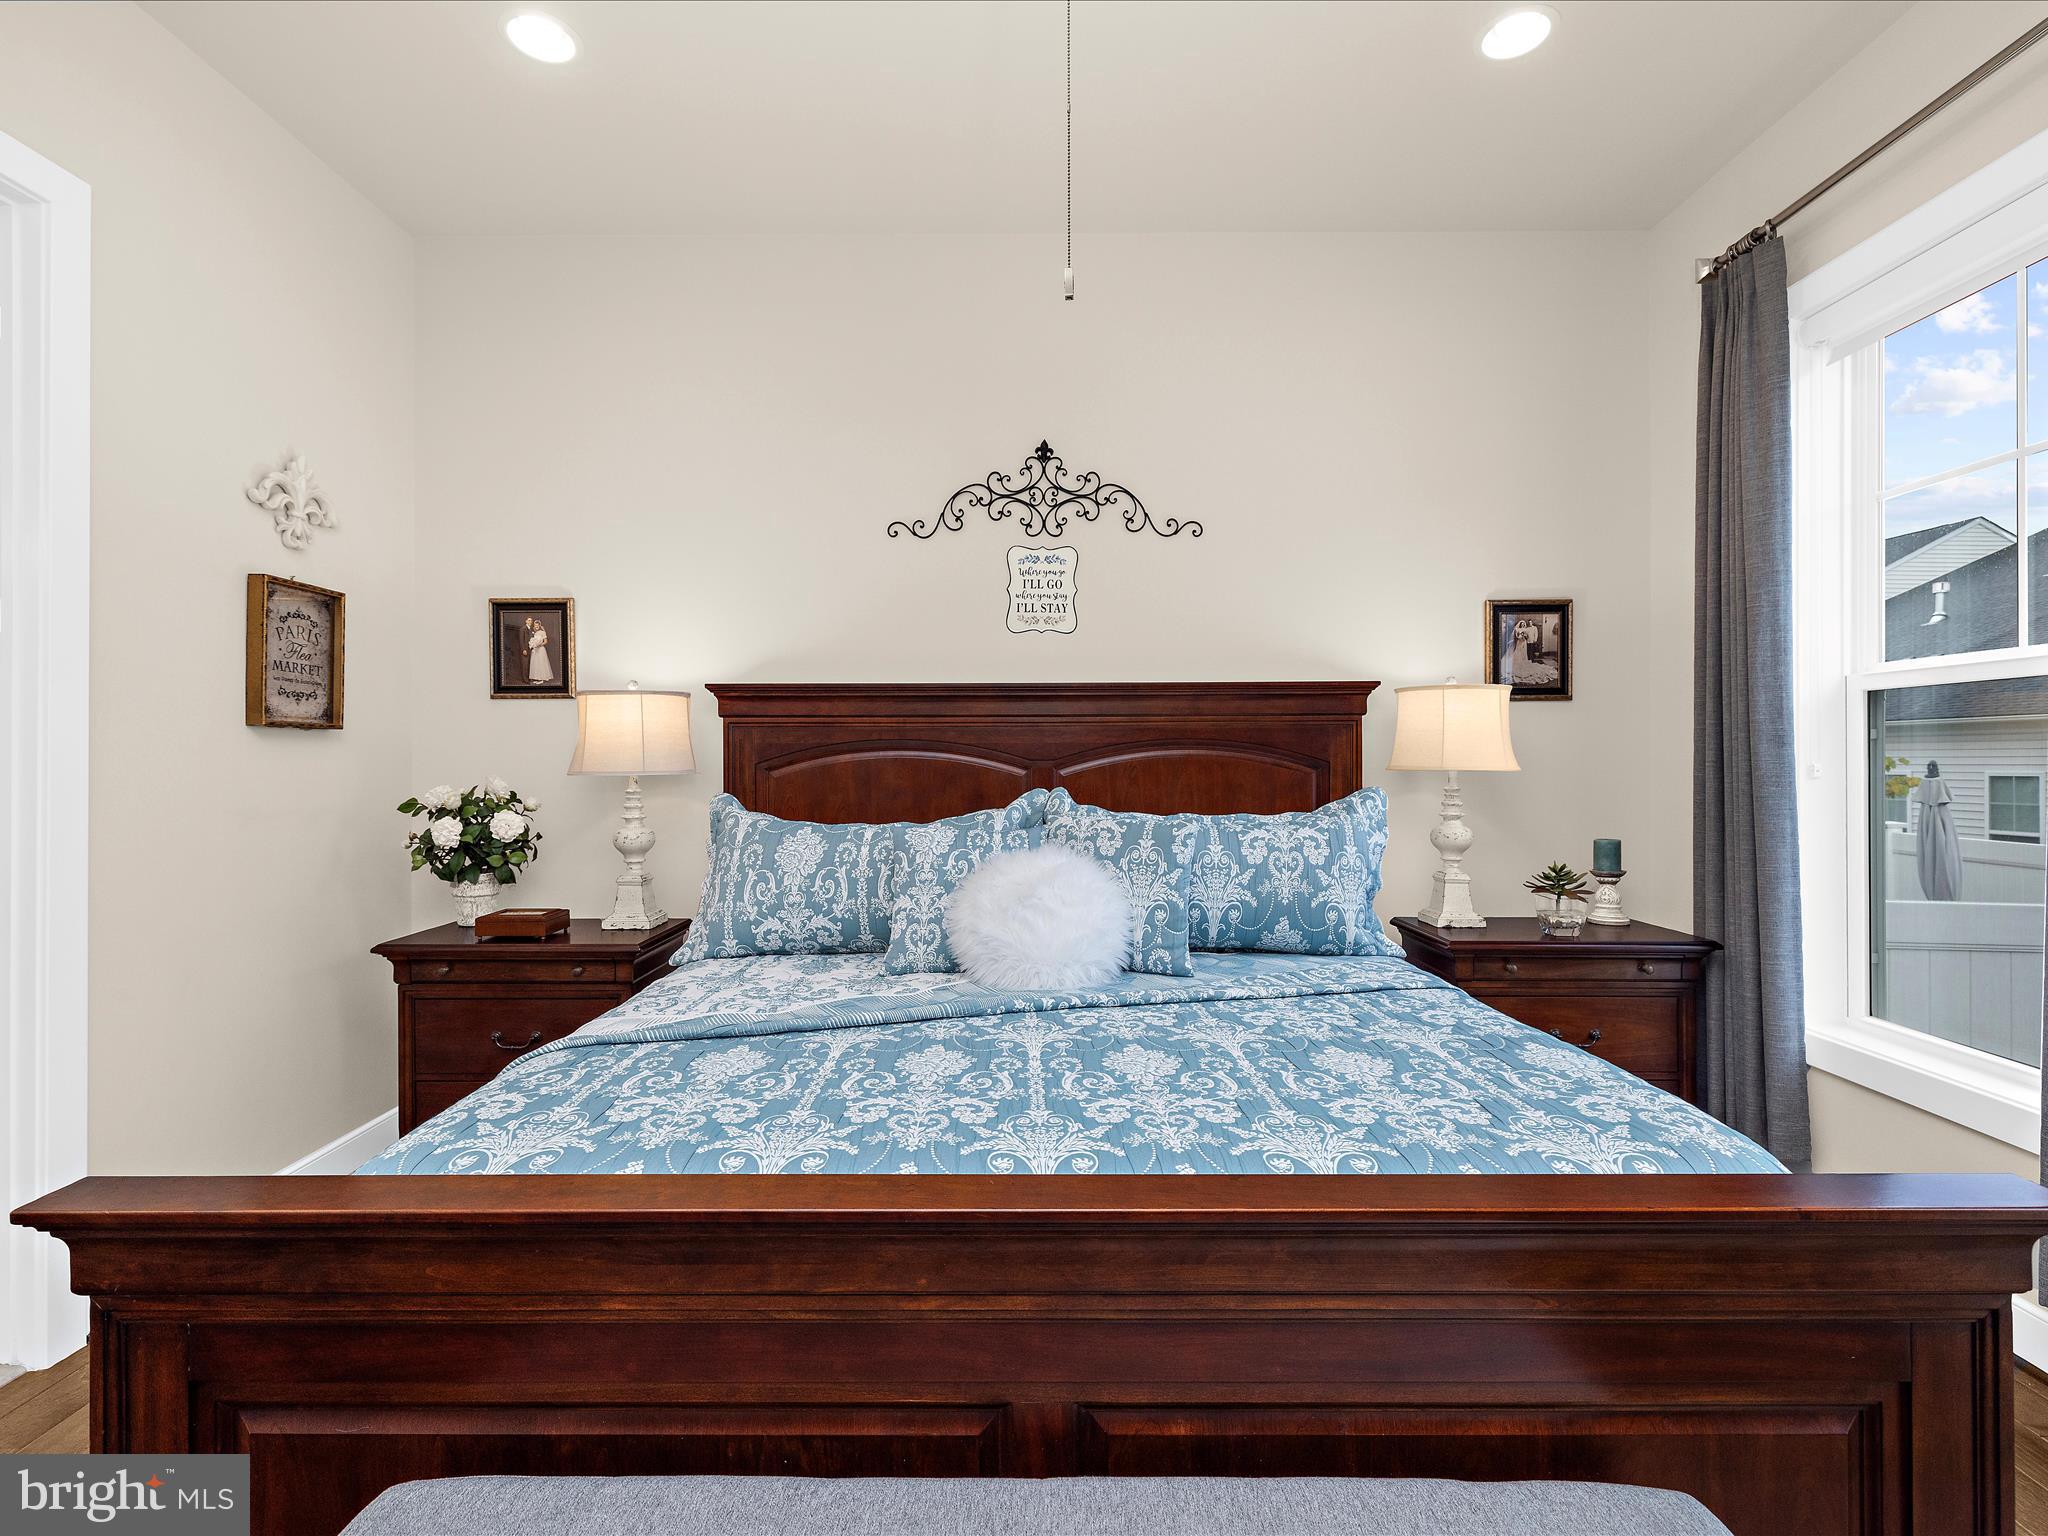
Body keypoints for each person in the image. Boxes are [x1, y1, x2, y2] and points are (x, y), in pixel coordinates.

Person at [524, 616, 554, 685]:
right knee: (535, 663)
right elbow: (533, 641)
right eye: (535, 625)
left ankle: (541, 678)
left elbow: (546, 641)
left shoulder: (542, 632)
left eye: (537, 625)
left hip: (540, 649)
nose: (536, 626)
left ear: (539, 626)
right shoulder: (534, 633)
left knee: (540, 663)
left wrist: (540, 644)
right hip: (535, 650)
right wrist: (533, 644)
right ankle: (537, 678)